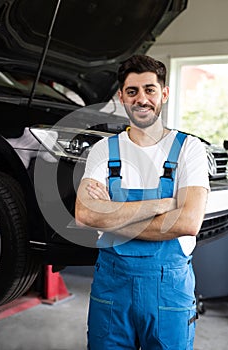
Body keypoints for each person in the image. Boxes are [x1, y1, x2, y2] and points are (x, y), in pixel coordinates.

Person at [75, 54, 209, 350]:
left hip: (169, 292)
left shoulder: (189, 148)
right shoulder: (103, 150)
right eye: (132, 91)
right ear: (121, 96)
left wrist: (109, 214)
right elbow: (85, 214)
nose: (141, 99)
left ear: (164, 93)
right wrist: (162, 205)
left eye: (149, 89)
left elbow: (188, 222)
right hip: (112, 290)